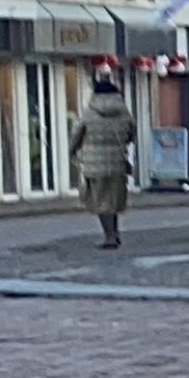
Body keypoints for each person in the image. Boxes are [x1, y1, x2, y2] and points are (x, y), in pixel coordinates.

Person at [73, 66, 135, 250]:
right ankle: (115, 233)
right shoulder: (124, 112)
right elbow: (132, 133)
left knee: (100, 200)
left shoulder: (89, 112)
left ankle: (109, 236)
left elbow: (77, 134)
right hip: (117, 161)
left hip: (94, 163)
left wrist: (73, 151)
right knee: (114, 198)